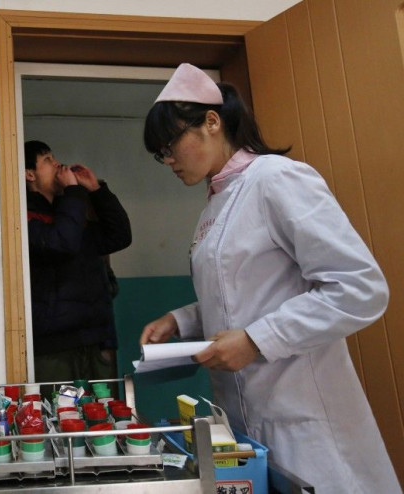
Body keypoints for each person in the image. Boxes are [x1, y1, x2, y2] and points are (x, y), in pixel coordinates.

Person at [139, 63, 400, 493]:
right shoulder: (213, 208)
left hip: (305, 420)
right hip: (246, 423)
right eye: (160, 154)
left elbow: (359, 287)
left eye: (170, 146)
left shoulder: (277, 179)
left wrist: (258, 339)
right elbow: (240, 293)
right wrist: (182, 320)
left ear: (211, 121)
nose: (168, 161)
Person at [24, 140, 131, 396]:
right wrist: (73, 193)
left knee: (103, 422)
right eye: (47, 160)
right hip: (54, 349)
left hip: (94, 340)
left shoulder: (68, 212)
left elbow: (119, 236)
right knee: (62, 421)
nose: (57, 163)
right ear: (30, 174)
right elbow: (62, 243)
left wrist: (95, 190)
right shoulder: (24, 216)